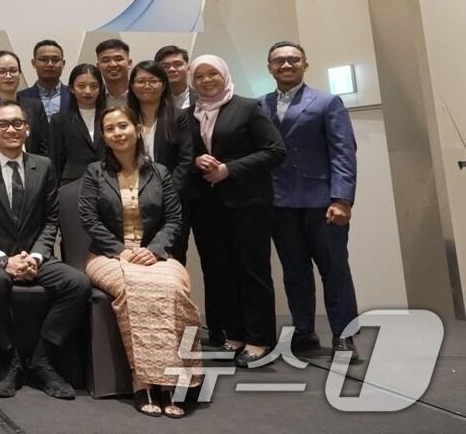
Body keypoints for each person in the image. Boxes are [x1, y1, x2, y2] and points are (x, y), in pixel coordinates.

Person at [0, 100, 89, 400]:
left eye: (18, 123)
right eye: (2, 124)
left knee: (78, 283)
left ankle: (42, 358)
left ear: (27, 129)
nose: (11, 129)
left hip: (33, 255)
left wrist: (37, 256)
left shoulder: (44, 165)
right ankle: (9, 359)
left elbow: (51, 219)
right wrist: (3, 260)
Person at [79, 106, 201, 418]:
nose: (117, 133)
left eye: (123, 126)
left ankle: (175, 381)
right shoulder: (94, 172)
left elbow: (174, 219)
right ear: (104, 136)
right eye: (110, 128)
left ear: (137, 129)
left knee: (174, 288)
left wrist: (156, 249)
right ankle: (143, 381)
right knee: (135, 287)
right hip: (106, 256)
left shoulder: (159, 172)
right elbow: (89, 219)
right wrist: (120, 249)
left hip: (154, 255)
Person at [261, 41, 360, 360]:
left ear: (305, 64)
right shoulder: (260, 105)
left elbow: (344, 153)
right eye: (279, 61)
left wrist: (342, 199)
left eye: (293, 60)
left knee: (335, 270)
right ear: (269, 67)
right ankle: (304, 331)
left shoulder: (328, 102)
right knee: (294, 271)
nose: (286, 65)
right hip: (279, 203)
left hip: (322, 203)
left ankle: (344, 335)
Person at [186, 54, 286, 366]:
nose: (206, 80)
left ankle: (259, 339)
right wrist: (196, 161)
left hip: (248, 204)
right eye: (199, 76)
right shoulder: (190, 114)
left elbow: (275, 151)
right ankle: (235, 334)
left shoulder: (247, 108)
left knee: (253, 271)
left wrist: (229, 169)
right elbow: (186, 155)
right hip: (208, 206)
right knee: (221, 271)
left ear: (224, 75)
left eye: (212, 74)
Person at [127, 61, 194, 261]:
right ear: (132, 86)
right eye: (141, 81)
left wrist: (167, 193)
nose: (147, 85)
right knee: (136, 257)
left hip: (172, 200)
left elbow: (186, 160)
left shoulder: (179, 116)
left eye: (153, 80)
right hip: (132, 200)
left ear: (163, 85)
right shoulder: (125, 118)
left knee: (172, 256)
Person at [0, 50, 50, 156]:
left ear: (20, 74)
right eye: (2, 72)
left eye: (13, 71)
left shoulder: (36, 106)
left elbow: (45, 146)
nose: (8, 76)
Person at [49, 64, 106, 185]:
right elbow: (55, 160)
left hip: (107, 181)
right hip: (73, 183)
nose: (88, 91)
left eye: (93, 86)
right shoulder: (59, 120)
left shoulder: (109, 117)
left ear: (100, 88)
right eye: (81, 86)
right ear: (71, 88)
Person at [19, 40, 70, 118]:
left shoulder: (75, 96)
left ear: (63, 64)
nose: (50, 64)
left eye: (55, 60)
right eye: (44, 59)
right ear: (33, 63)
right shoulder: (20, 98)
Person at [155, 45, 192, 110]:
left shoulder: (201, 99)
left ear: (188, 69)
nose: (171, 69)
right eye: (165, 66)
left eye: (178, 64)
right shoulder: (151, 99)